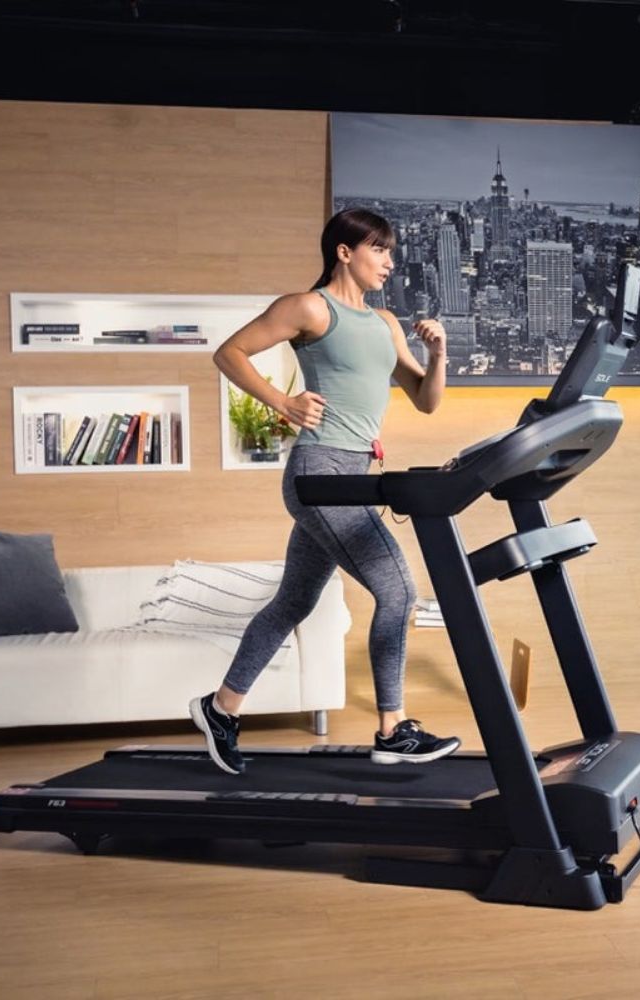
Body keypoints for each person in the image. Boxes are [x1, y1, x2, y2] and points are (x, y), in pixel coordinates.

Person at [190, 208, 461, 775]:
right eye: (378, 250)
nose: (389, 261)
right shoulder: (311, 307)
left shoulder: (385, 322)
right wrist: (283, 402)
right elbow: (229, 353)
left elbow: (426, 399)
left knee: (293, 601)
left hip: (352, 476)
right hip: (321, 472)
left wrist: (437, 354)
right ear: (344, 252)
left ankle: (220, 710)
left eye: (390, 252)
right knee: (400, 592)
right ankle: (392, 729)